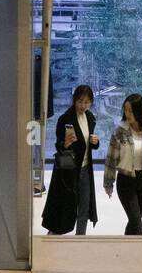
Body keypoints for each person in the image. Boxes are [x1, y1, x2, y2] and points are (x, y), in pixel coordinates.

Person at [102, 93, 142, 235]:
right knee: (136, 222)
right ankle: (139, 253)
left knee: (134, 222)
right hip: (126, 181)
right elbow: (111, 159)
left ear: (140, 111)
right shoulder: (119, 132)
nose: (127, 113)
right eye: (125, 110)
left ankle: (127, 251)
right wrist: (108, 182)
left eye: (131, 110)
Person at [40, 85, 100, 235]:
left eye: (87, 102)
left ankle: (80, 239)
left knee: (84, 206)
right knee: (64, 205)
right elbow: (58, 145)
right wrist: (65, 144)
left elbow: (89, 145)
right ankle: (53, 236)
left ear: (91, 102)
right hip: (68, 170)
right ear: (74, 101)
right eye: (80, 101)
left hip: (85, 169)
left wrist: (95, 142)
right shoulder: (65, 119)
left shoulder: (90, 118)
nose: (83, 105)